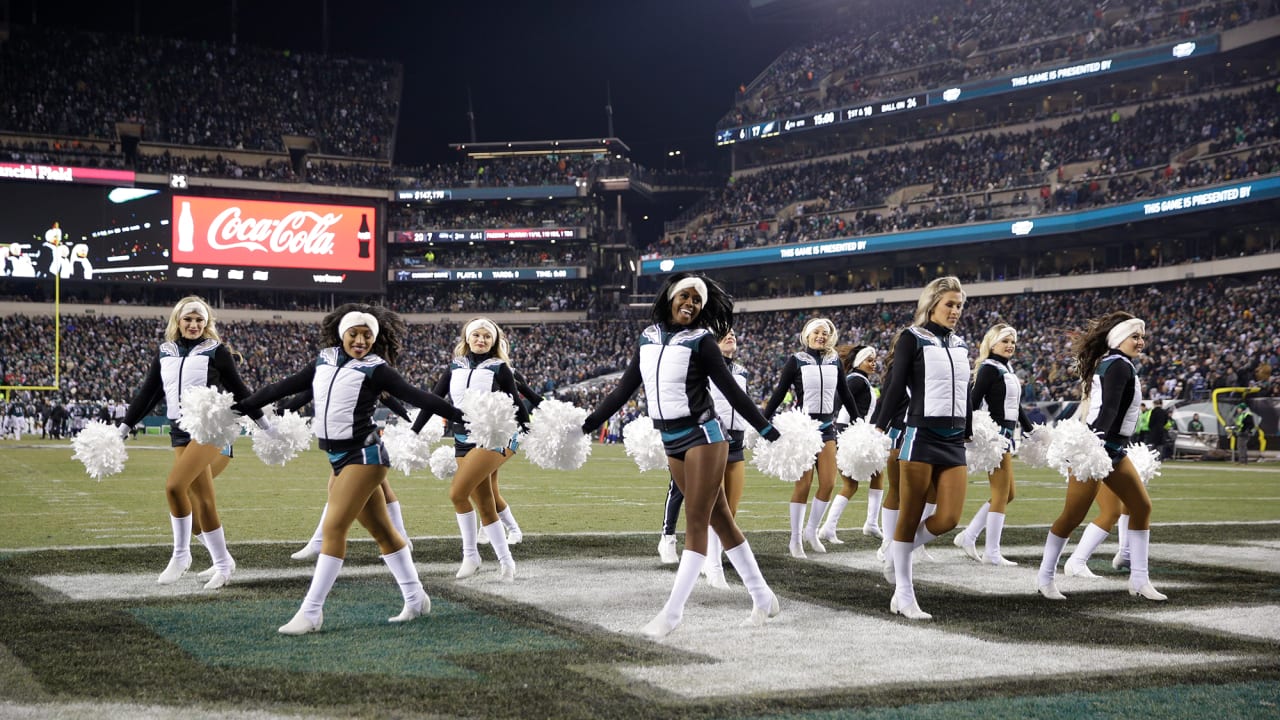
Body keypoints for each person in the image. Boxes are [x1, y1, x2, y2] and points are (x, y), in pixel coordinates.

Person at [234, 303, 462, 634]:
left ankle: (312, 611)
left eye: (367, 335)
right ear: (342, 335)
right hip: (337, 458)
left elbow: (420, 396)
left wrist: (463, 418)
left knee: (333, 528)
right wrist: (244, 406)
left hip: (365, 455)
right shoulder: (324, 360)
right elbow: (284, 387)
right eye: (354, 334)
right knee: (383, 532)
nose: (360, 340)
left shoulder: (376, 368)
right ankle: (416, 598)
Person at [581, 272, 782, 638]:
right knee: (721, 519)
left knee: (696, 521)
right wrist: (587, 423)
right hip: (670, 440)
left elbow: (732, 392)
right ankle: (763, 596)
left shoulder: (702, 341)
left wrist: (766, 428)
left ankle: (672, 614)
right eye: (685, 296)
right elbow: (623, 390)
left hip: (704, 435)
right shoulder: (647, 338)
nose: (690, 303)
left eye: (697, 300)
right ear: (670, 296)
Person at [117, 296, 259, 589]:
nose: (194, 325)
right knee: (193, 516)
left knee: (176, 487)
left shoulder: (217, 352)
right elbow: (148, 394)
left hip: (211, 433)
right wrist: (124, 427)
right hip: (180, 432)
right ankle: (224, 560)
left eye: (199, 320)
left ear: (206, 323)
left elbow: (241, 392)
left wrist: (265, 424)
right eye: (188, 319)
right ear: (177, 321)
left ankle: (187, 557)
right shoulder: (165, 352)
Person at [1035, 312, 1167, 602]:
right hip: (1097, 450)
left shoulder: (1119, 364)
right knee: (1072, 516)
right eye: (1135, 336)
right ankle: (1045, 577)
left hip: (1113, 450)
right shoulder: (1117, 365)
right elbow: (1106, 410)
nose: (1141, 341)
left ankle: (1139, 580)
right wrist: (1094, 446)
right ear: (1119, 338)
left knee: (1141, 506)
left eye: (1142, 336)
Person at [874, 276, 972, 621]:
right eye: (950, 304)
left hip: (953, 439)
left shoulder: (961, 344)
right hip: (920, 435)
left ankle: (895, 554)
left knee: (949, 517)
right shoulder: (911, 338)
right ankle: (904, 593)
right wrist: (878, 428)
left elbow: (966, 392)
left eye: (959, 305)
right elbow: (895, 385)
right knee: (910, 514)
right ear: (932, 304)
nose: (955, 311)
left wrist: (970, 432)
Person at [412, 317, 529, 582]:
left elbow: (518, 404)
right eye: (476, 335)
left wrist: (532, 430)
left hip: (492, 439)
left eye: (487, 336)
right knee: (486, 504)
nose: (481, 340)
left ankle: (470, 555)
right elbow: (433, 400)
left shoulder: (500, 368)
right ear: (466, 338)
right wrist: (414, 431)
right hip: (461, 439)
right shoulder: (455, 365)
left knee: (457, 493)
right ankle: (506, 563)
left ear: (494, 341)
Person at [655, 327, 753, 583]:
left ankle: (711, 557)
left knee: (728, 509)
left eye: (733, 333)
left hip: (736, 441)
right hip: (707, 437)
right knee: (683, 491)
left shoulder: (742, 371)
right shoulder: (700, 365)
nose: (730, 336)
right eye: (724, 334)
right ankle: (669, 537)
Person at [763, 318, 861, 559]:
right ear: (806, 335)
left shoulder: (834, 360)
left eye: (825, 333)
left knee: (828, 483)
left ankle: (811, 531)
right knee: (804, 485)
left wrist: (859, 423)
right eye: (816, 332)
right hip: (803, 429)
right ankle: (795, 540)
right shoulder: (796, 360)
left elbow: (845, 393)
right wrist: (762, 420)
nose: (821, 336)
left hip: (827, 427)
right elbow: (780, 392)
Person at [954, 323, 1033, 566]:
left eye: (1013, 342)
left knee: (1009, 493)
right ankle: (992, 552)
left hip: (1006, 437)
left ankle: (968, 536)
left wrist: (1031, 430)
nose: (1010, 345)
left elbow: (1015, 407)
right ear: (992, 344)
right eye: (1005, 341)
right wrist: (971, 432)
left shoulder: (1005, 368)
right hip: (994, 438)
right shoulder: (989, 368)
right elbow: (972, 401)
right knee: (1001, 494)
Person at [818, 344, 883, 543]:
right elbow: (837, 400)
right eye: (869, 360)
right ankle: (828, 528)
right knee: (851, 484)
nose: (873, 364)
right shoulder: (856, 380)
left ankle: (870, 523)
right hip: (848, 435)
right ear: (858, 362)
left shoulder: (861, 380)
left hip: (855, 434)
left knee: (877, 475)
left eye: (874, 360)